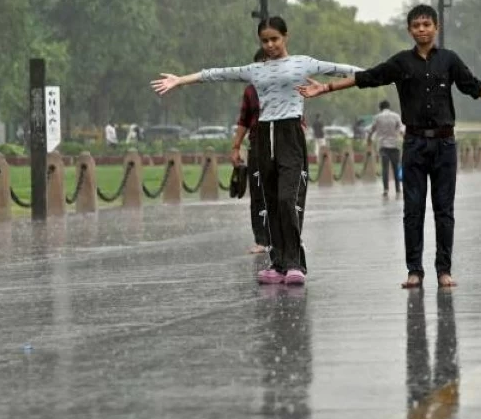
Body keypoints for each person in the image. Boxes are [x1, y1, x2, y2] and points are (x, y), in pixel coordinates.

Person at [299, 4, 481, 289]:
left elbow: (476, 86)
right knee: (413, 209)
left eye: (427, 24)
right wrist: (326, 88)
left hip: (445, 143)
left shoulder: (449, 60)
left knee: (444, 210)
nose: (422, 29)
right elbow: (367, 77)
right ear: (409, 30)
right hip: (414, 144)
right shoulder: (401, 63)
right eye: (416, 25)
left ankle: (443, 270)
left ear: (436, 28)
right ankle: (414, 271)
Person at [152, 16, 362, 286]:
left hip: (289, 134)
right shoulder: (255, 70)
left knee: (288, 199)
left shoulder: (303, 63)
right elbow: (216, 74)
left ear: (286, 36)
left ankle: (295, 263)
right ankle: (278, 263)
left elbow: (341, 69)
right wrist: (180, 80)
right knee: (270, 201)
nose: (270, 45)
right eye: (265, 41)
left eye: (275, 39)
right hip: (263, 135)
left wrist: (388, 74)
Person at [230, 48, 269, 254]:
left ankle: (287, 237)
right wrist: (236, 146)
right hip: (257, 146)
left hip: (282, 146)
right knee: (258, 195)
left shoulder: (286, 85)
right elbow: (244, 120)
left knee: (284, 195)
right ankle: (261, 239)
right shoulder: (250, 91)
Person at [368, 100, 406, 197]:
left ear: (380, 108)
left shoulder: (377, 117)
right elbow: (402, 129)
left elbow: (371, 130)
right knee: (395, 167)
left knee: (385, 168)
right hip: (395, 145)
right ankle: (397, 188)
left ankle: (386, 189)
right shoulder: (396, 116)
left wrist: (369, 140)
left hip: (383, 146)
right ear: (389, 107)